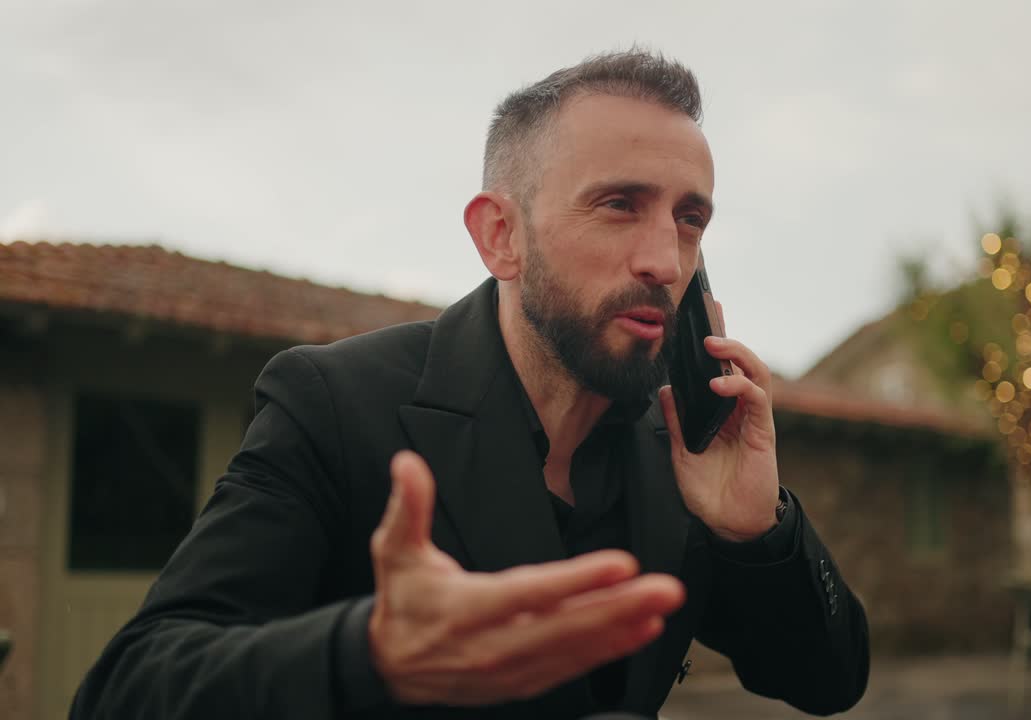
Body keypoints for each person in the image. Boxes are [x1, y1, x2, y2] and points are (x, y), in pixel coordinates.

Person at [70, 49, 869, 719]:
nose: (666, 260)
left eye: (690, 219)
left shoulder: (682, 447)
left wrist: (758, 532)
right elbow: (127, 688)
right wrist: (369, 655)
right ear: (501, 236)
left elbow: (828, 683)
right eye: (619, 205)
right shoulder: (333, 402)